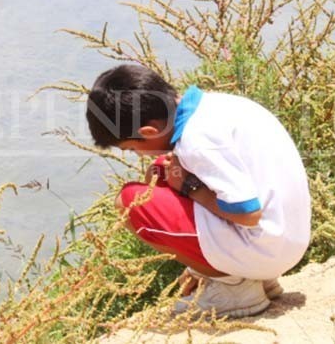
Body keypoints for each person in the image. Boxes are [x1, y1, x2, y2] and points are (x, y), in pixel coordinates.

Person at [85, 64, 311, 318]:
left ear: (148, 132)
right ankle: (251, 278)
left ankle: (235, 287)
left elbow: (248, 214)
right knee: (159, 172)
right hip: (286, 238)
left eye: (131, 148)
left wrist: (188, 187)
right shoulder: (216, 105)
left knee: (130, 201)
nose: (137, 155)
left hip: (267, 249)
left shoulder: (196, 142)